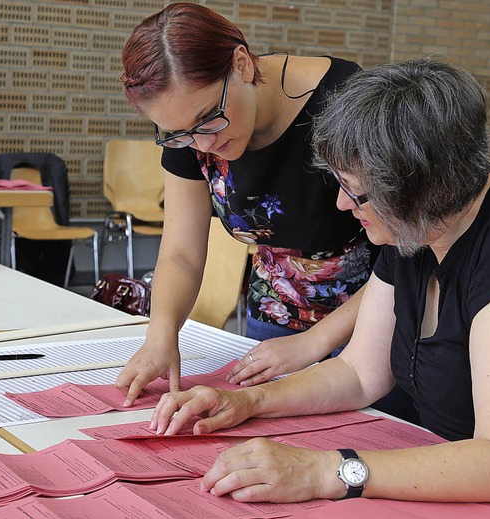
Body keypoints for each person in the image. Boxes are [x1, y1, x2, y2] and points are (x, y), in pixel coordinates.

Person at [149, 57, 490, 504]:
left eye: (355, 191)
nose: (340, 204)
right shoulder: (417, 228)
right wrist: (244, 402)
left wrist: (326, 470)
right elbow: (358, 373)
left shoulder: (486, 246)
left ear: (422, 187)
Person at [116, 2, 377, 406]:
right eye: (179, 134)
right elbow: (182, 253)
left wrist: (316, 341)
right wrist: (161, 336)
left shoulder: (347, 103)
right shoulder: (189, 129)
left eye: (209, 119)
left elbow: (407, 255)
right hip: (273, 323)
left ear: (241, 64)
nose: (202, 144)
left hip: (369, 325)